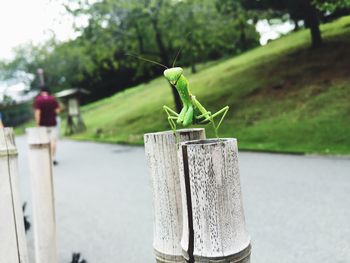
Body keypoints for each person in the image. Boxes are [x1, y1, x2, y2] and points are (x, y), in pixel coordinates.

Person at [33, 85, 60, 165]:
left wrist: (37, 124)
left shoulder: (38, 100)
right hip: (52, 123)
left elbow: (38, 113)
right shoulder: (52, 99)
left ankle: (46, 159)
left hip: (42, 125)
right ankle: (53, 158)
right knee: (53, 141)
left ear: (40, 91)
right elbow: (57, 111)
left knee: (44, 141)